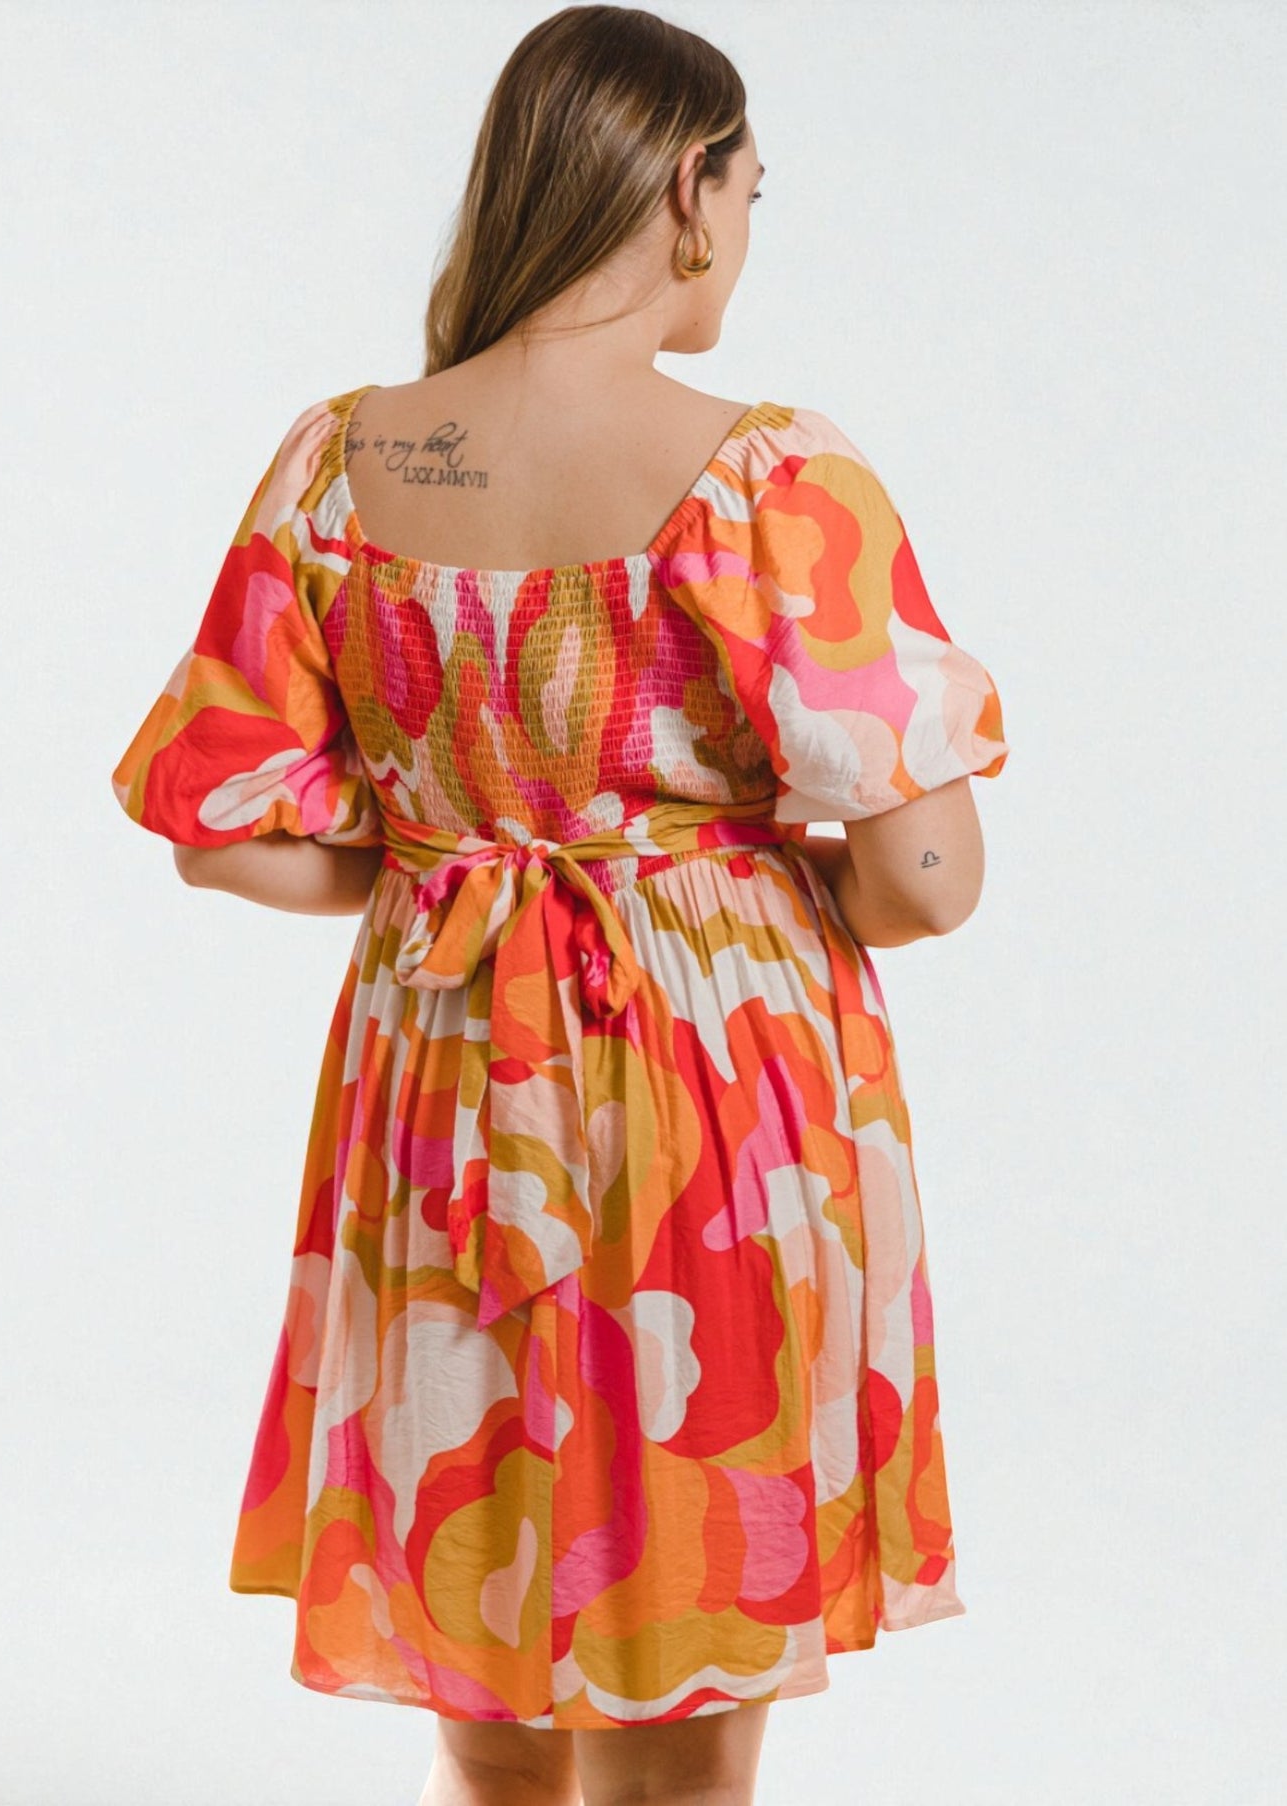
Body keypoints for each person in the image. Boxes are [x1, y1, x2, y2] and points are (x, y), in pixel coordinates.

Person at [109, 6, 1010, 1802]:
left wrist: (470, 863)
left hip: (447, 1080)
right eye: (749, 192)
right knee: (686, 1684)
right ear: (687, 188)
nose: (744, 234)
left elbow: (223, 833)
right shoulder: (768, 474)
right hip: (710, 1097)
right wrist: (716, 876)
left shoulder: (348, 458)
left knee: (487, 1635)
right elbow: (923, 874)